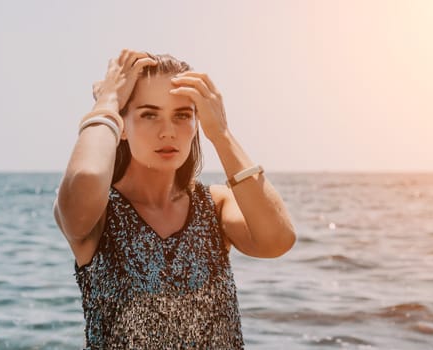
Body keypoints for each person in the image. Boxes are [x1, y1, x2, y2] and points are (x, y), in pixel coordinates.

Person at [53, 48, 296, 349]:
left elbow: (278, 240)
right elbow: (88, 176)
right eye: (149, 114)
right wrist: (107, 103)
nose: (168, 131)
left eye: (182, 115)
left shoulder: (215, 205)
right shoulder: (99, 211)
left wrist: (220, 134)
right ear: (121, 126)